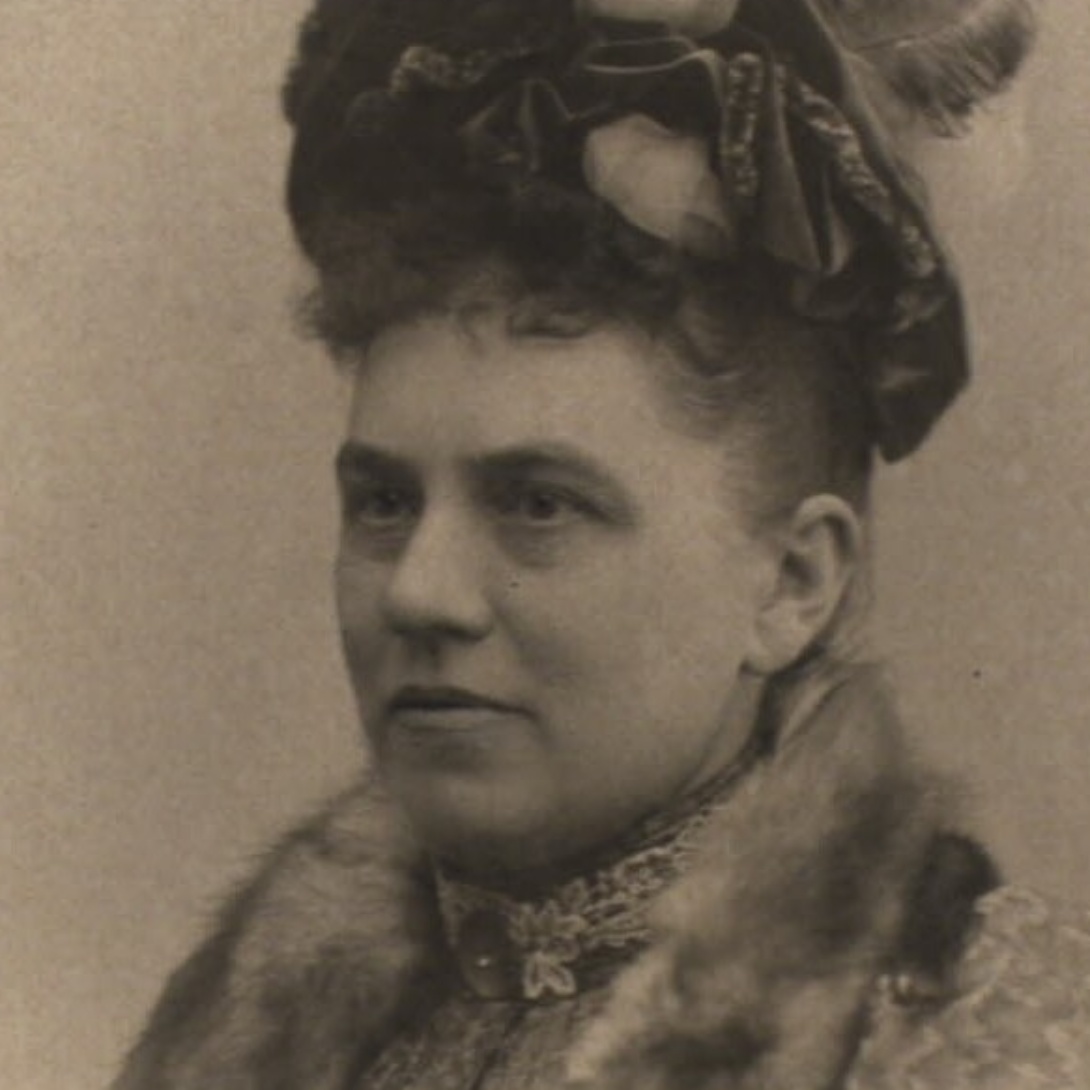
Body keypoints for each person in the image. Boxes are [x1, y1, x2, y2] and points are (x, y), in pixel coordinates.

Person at [112, 1, 1090, 1087]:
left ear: (792, 583)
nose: (419, 593)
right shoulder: (248, 1039)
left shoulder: (985, 1039)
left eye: (537, 504)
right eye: (383, 503)